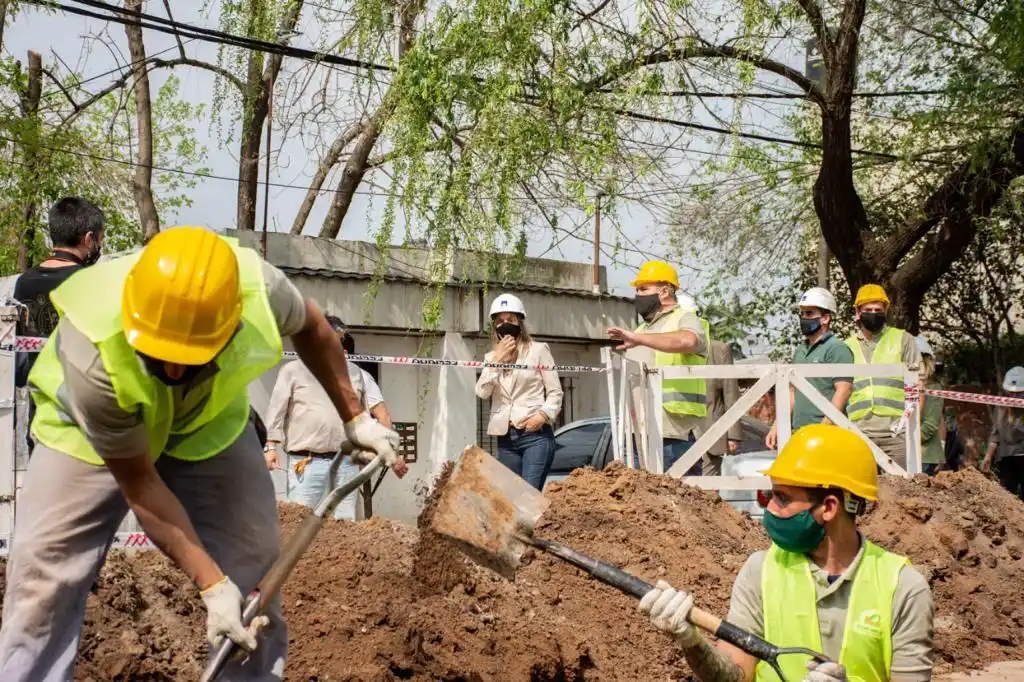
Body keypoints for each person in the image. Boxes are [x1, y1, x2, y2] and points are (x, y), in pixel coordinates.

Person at [0, 226, 403, 681]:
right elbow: (141, 485)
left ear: (231, 326)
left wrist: (356, 418)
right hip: (86, 433)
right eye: (160, 353)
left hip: (205, 423)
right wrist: (211, 585)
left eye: (192, 355)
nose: (174, 370)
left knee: (253, 572)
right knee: (44, 581)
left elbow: (314, 328)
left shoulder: (259, 289)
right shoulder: (92, 346)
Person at [640, 424, 934, 682]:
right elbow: (735, 674)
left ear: (829, 507)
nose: (769, 508)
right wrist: (692, 642)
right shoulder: (761, 571)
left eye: (782, 498)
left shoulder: (902, 587)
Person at [265, 316, 406, 521]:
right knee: (300, 522)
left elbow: (367, 418)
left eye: (340, 340)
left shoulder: (355, 373)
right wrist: (270, 447)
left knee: (345, 525)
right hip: (307, 463)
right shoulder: (293, 371)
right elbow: (276, 412)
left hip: (345, 464)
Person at [13, 197, 105, 449]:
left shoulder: (24, 282)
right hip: (81, 422)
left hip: (40, 418)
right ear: (89, 239)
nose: (100, 245)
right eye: (100, 238)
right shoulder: (88, 282)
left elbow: (19, 361)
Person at [608, 261, 710, 474]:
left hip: (673, 434)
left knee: (677, 494)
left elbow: (688, 341)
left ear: (664, 291)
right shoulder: (641, 330)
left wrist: (639, 339)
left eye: (643, 289)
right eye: (637, 290)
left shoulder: (684, 318)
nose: (637, 295)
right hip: (638, 435)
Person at [475, 293, 563, 490]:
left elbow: (555, 391)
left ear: (520, 322)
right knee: (512, 495)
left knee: (529, 494)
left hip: (535, 436)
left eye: (511, 319)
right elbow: (482, 392)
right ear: (494, 326)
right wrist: (497, 360)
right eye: (500, 321)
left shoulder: (538, 350)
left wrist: (543, 415)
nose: (505, 324)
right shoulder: (491, 357)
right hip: (505, 438)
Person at [845, 284, 921, 469]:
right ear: (858, 312)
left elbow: (917, 387)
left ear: (886, 310)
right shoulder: (846, 346)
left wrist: (911, 428)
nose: (873, 314)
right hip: (859, 432)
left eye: (878, 310)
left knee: (901, 486)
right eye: (868, 310)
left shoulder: (903, 339)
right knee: (861, 486)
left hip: (895, 434)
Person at [766, 288, 853, 450]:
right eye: (803, 314)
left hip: (828, 436)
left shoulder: (837, 349)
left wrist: (824, 427)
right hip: (799, 434)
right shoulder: (800, 350)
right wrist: (777, 425)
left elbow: (843, 390)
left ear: (825, 318)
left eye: (809, 313)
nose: (804, 318)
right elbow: (792, 392)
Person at [981, 366, 1024, 500]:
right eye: (1011, 392)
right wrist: (988, 456)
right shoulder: (1001, 407)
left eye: (1019, 393)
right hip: (1006, 458)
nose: (1014, 396)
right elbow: (995, 435)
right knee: (1006, 497)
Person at [705, 339, 743, 476]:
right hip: (673, 433)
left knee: (706, 486)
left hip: (711, 432)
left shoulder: (719, 349)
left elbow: (730, 393)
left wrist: (733, 434)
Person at [917, 337, 946, 476]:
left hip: (924, 457)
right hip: (903, 454)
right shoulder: (903, 386)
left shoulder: (934, 388)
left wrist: (905, 443)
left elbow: (931, 425)